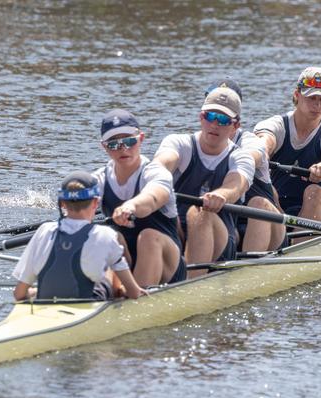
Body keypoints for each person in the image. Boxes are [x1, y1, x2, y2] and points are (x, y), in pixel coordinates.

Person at [152, 87, 255, 278]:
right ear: (201, 117)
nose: (214, 124)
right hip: (176, 229)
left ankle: (190, 284)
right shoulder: (179, 143)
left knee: (199, 211)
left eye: (223, 119)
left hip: (220, 240)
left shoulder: (241, 157)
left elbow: (236, 184)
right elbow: (162, 163)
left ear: (235, 125)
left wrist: (221, 195)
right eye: (210, 116)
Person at [13, 171, 146, 301]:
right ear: (95, 202)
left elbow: (19, 294)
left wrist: (35, 293)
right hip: (91, 301)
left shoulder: (44, 230)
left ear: (63, 204)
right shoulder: (106, 234)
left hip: (46, 299)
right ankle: (117, 292)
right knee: (110, 264)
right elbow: (134, 293)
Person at [94, 109, 184, 287]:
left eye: (129, 141)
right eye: (114, 144)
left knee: (148, 236)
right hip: (125, 261)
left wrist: (131, 207)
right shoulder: (99, 179)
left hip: (168, 264)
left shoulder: (156, 173)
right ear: (104, 146)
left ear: (140, 138)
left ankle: (137, 299)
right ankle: (107, 293)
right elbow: (79, 203)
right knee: (108, 236)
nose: (123, 148)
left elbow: (153, 198)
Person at [254, 67, 321, 227]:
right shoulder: (276, 125)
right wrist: (258, 153)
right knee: (267, 193)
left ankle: (301, 244)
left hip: (315, 206)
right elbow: (264, 142)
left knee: (314, 192)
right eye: (311, 98)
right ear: (297, 95)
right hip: (275, 204)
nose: (317, 105)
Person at [205, 78, 285, 253]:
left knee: (258, 203)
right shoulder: (193, 143)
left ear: (237, 118)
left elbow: (250, 157)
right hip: (228, 227)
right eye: (211, 114)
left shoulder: (251, 143)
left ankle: (250, 269)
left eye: (224, 116)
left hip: (266, 224)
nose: (216, 121)